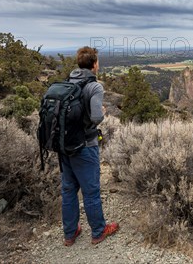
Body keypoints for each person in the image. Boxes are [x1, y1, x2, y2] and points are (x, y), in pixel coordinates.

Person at [59, 46, 119, 246]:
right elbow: (95, 117)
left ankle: (70, 233)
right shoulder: (95, 86)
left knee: (68, 189)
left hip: (64, 145)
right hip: (85, 145)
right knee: (91, 190)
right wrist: (101, 111)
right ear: (94, 64)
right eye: (98, 62)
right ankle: (99, 232)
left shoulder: (68, 82)